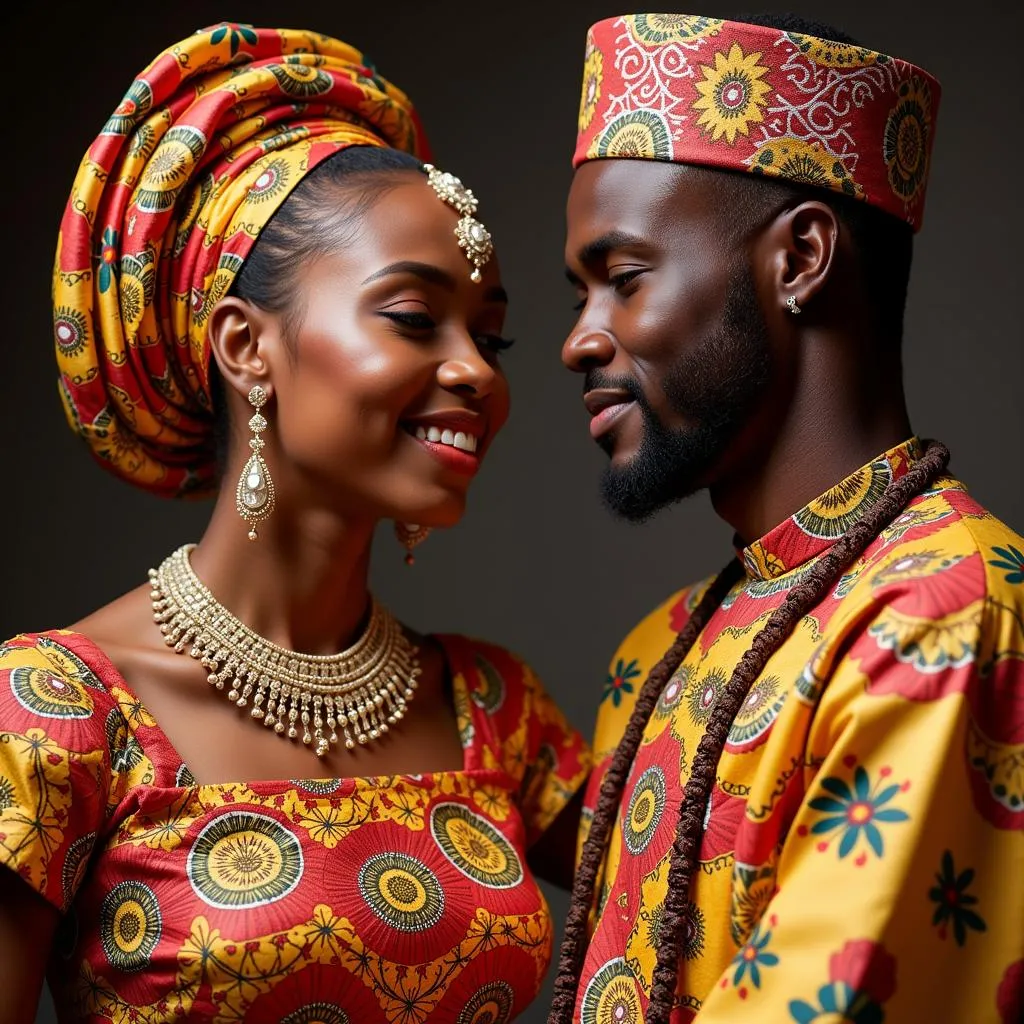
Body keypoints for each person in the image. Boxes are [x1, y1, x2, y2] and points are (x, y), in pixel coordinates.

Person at [0, 23, 589, 1024]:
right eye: (413, 316)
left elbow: (722, 906)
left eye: (492, 335)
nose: (479, 373)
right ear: (246, 346)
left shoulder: (495, 708)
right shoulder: (57, 715)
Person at [549, 11, 1024, 1024]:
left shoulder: (936, 619)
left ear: (801, 258)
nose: (578, 341)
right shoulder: (659, 652)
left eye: (623, 279)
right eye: (577, 294)